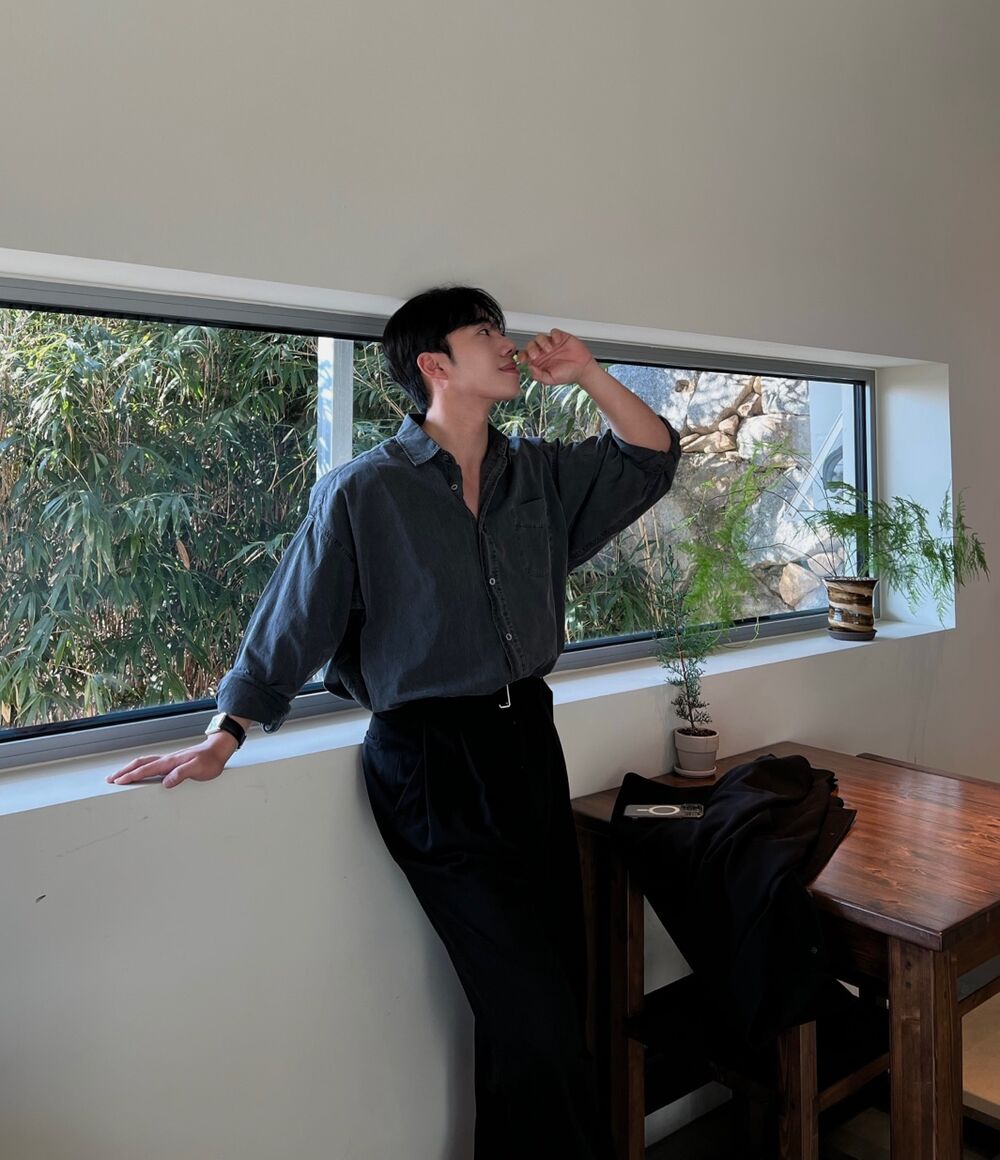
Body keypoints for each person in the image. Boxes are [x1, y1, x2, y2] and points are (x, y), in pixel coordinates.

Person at [108, 285, 681, 1159]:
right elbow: (294, 617)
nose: (507, 342)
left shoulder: (538, 474)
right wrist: (227, 733)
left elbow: (649, 456)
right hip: (429, 764)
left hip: (528, 741)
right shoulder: (365, 490)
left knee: (550, 990)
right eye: (484, 331)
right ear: (433, 364)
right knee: (533, 1012)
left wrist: (590, 373)